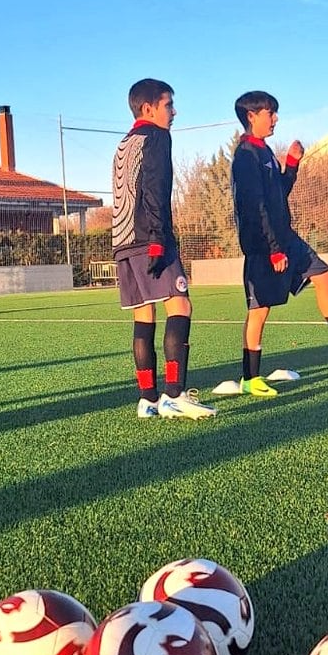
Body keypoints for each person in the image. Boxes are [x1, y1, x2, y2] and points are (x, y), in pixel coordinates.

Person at [231, 90, 328, 398]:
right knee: (260, 308)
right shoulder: (246, 155)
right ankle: (250, 377)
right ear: (251, 116)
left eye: (275, 112)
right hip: (264, 244)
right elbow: (254, 205)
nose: (275, 118)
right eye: (269, 113)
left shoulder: (265, 151)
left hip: (286, 236)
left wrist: (292, 165)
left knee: (323, 274)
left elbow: (277, 194)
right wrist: (273, 248)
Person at [112, 78, 215, 419]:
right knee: (180, 306)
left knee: (144, 315)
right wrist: (158, 238)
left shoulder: (124, 144)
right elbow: (156, 189)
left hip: (123, 243)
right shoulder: (157, 137)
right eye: (169, 105)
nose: (174, 112)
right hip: (150, 238)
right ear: (148, 108)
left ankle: (147, 399)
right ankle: (175, 393)